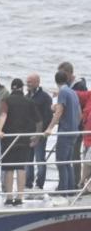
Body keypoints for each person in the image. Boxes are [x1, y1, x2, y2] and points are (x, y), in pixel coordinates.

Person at [0, 78, 41, 206]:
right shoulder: (30, 101)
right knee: (21, 168)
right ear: (22, 88)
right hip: (24, 139)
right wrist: (37, 137)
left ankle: (9, 196)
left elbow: (3, 115)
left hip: (8, 139)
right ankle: (20, 197)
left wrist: (0, 130)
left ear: (12, 88)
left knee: (9, 169)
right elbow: (39, 121)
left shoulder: (6, 101)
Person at [47, 70, 81, 199]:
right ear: (67, 80)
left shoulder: (63, 92)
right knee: (68, 162)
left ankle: (63, 190)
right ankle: (71, 189)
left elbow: (59, 111)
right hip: (74, 131)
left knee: (61, 162)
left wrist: (50, 128)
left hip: (65, 131)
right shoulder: (73, 92)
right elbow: (79, 114)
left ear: (56, 81)